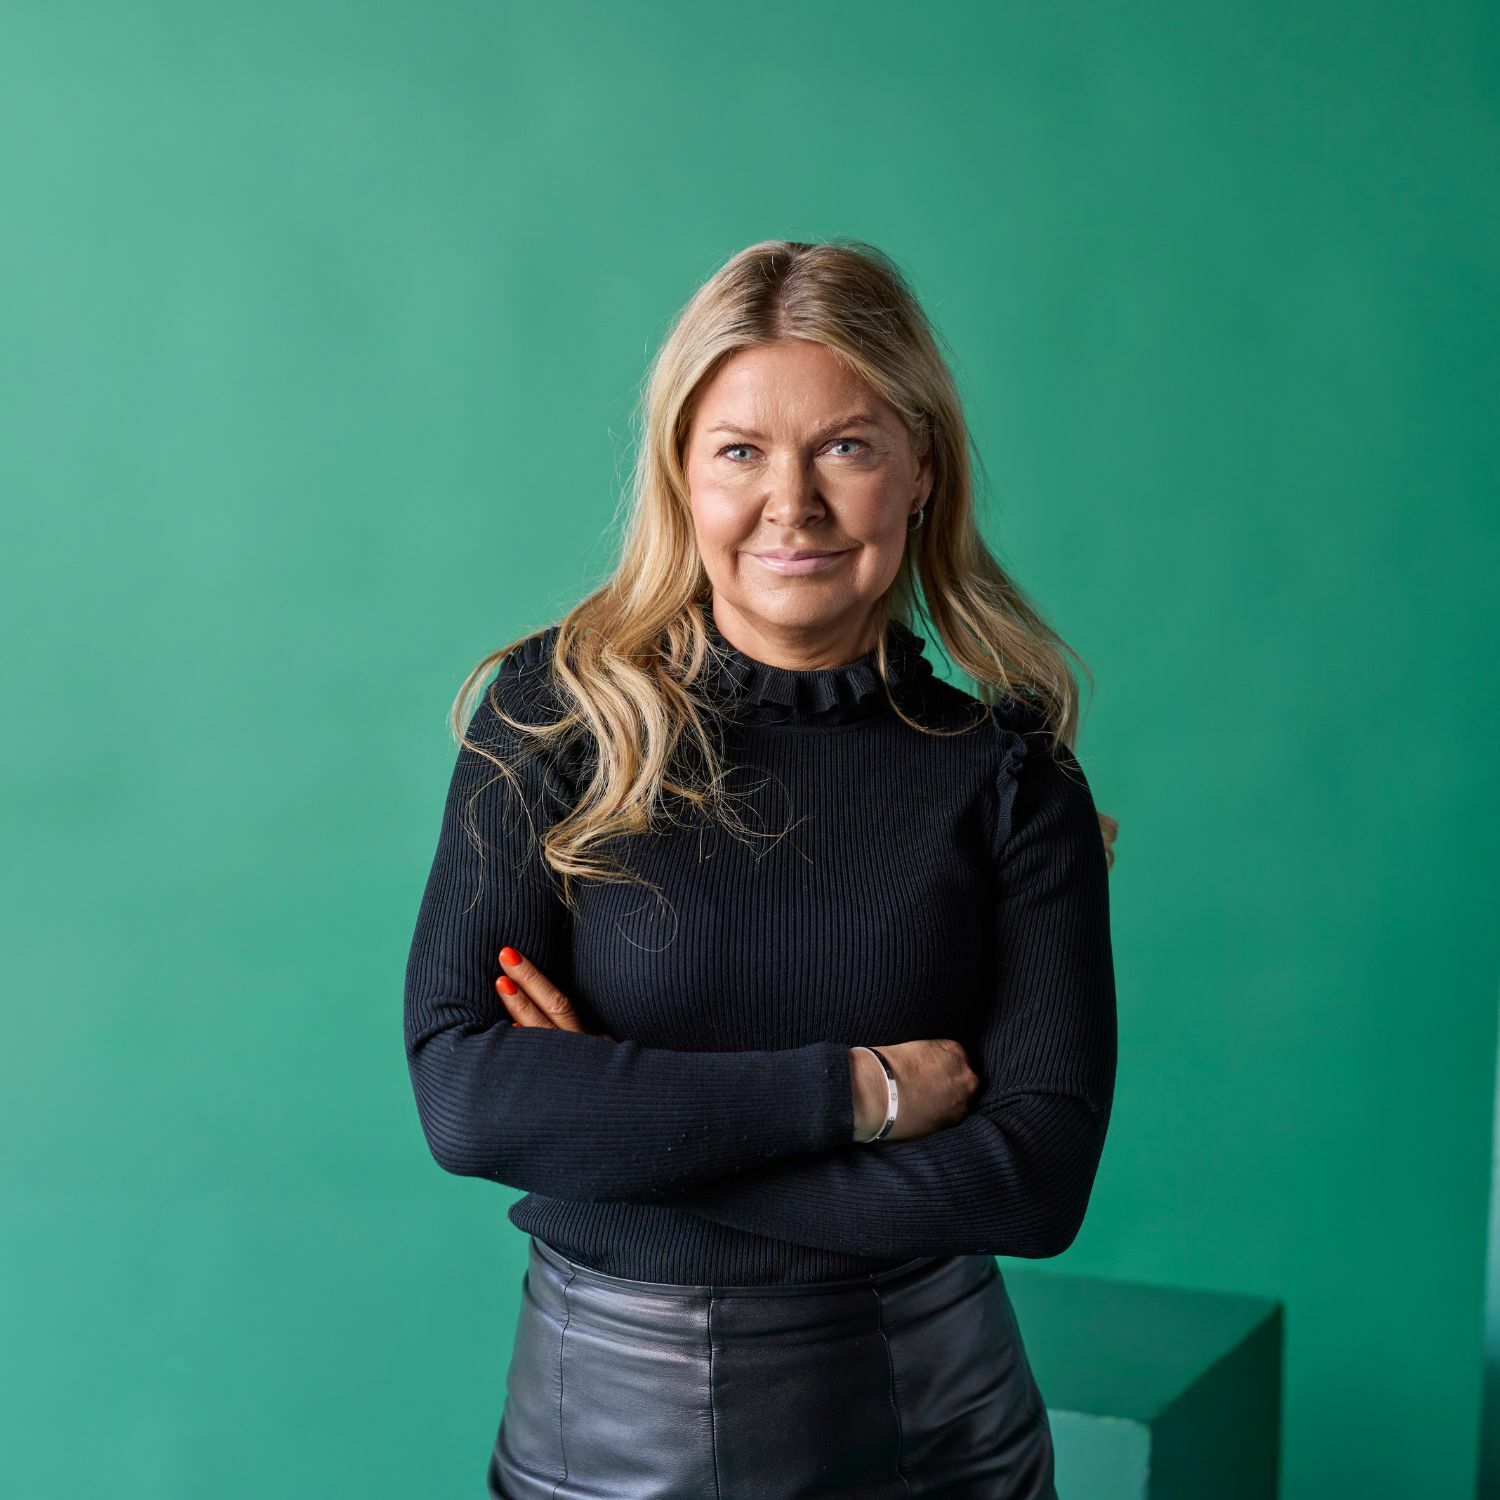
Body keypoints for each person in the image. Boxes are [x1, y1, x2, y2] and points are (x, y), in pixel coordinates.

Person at [403, 237, 1119, 1499]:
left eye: (845, 447)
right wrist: (857, 1094)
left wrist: (621, 1134)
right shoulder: (553, 717)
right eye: (740, 451)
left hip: (931, 1444)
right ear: (682, 471)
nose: (793, 504)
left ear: (921, 470)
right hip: (596, 1439)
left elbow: (1033, 1185)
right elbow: (467, 1101)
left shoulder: (1011, 775)